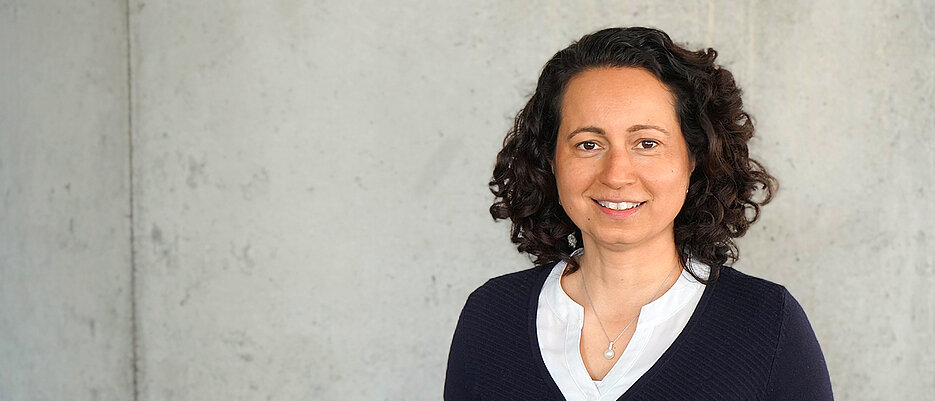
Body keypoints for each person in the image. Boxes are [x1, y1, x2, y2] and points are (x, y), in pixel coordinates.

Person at [444, 27, 833, 401]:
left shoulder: (766, 324)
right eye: (588, 144)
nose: (616, 175)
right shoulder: (491, 317)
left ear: (694, 158)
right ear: (551, 160)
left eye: (647, 143)